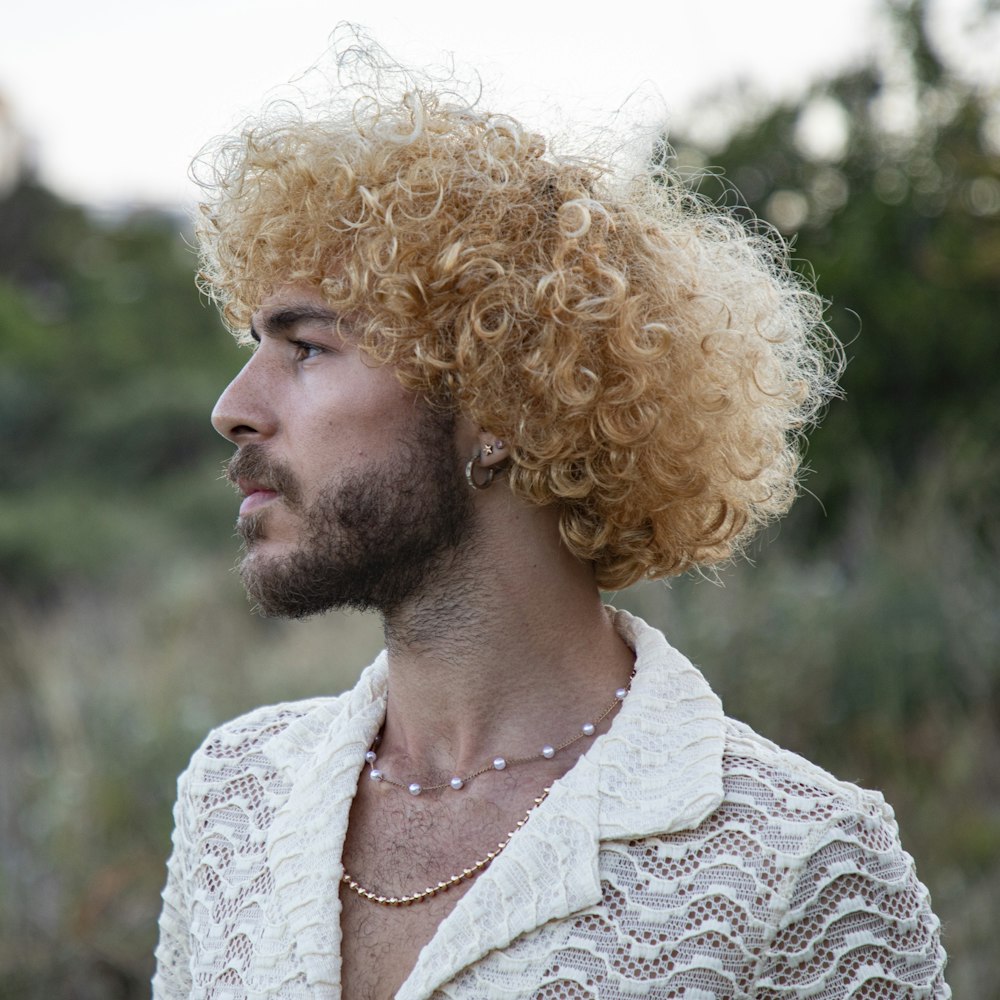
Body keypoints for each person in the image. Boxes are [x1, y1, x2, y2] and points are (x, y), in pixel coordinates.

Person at [152, 52, 950, 1000]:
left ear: (500, 407)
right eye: (255, 347)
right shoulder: (236, 795)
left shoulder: (800, 863)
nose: (233, 407)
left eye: (309, 347)